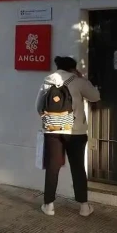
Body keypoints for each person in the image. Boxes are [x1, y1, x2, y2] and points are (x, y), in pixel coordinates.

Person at [35, 56, 101, 217]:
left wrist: (51, 120)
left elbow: (38, 106)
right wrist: (82, 79)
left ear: (58, 67)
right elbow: (95, 96)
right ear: (73, 68)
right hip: (75, 132)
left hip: (53, 131)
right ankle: (84, 207)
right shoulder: (78, 81)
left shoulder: (47, 81)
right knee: (78, 167)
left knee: (52, 167)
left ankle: (49, 205)